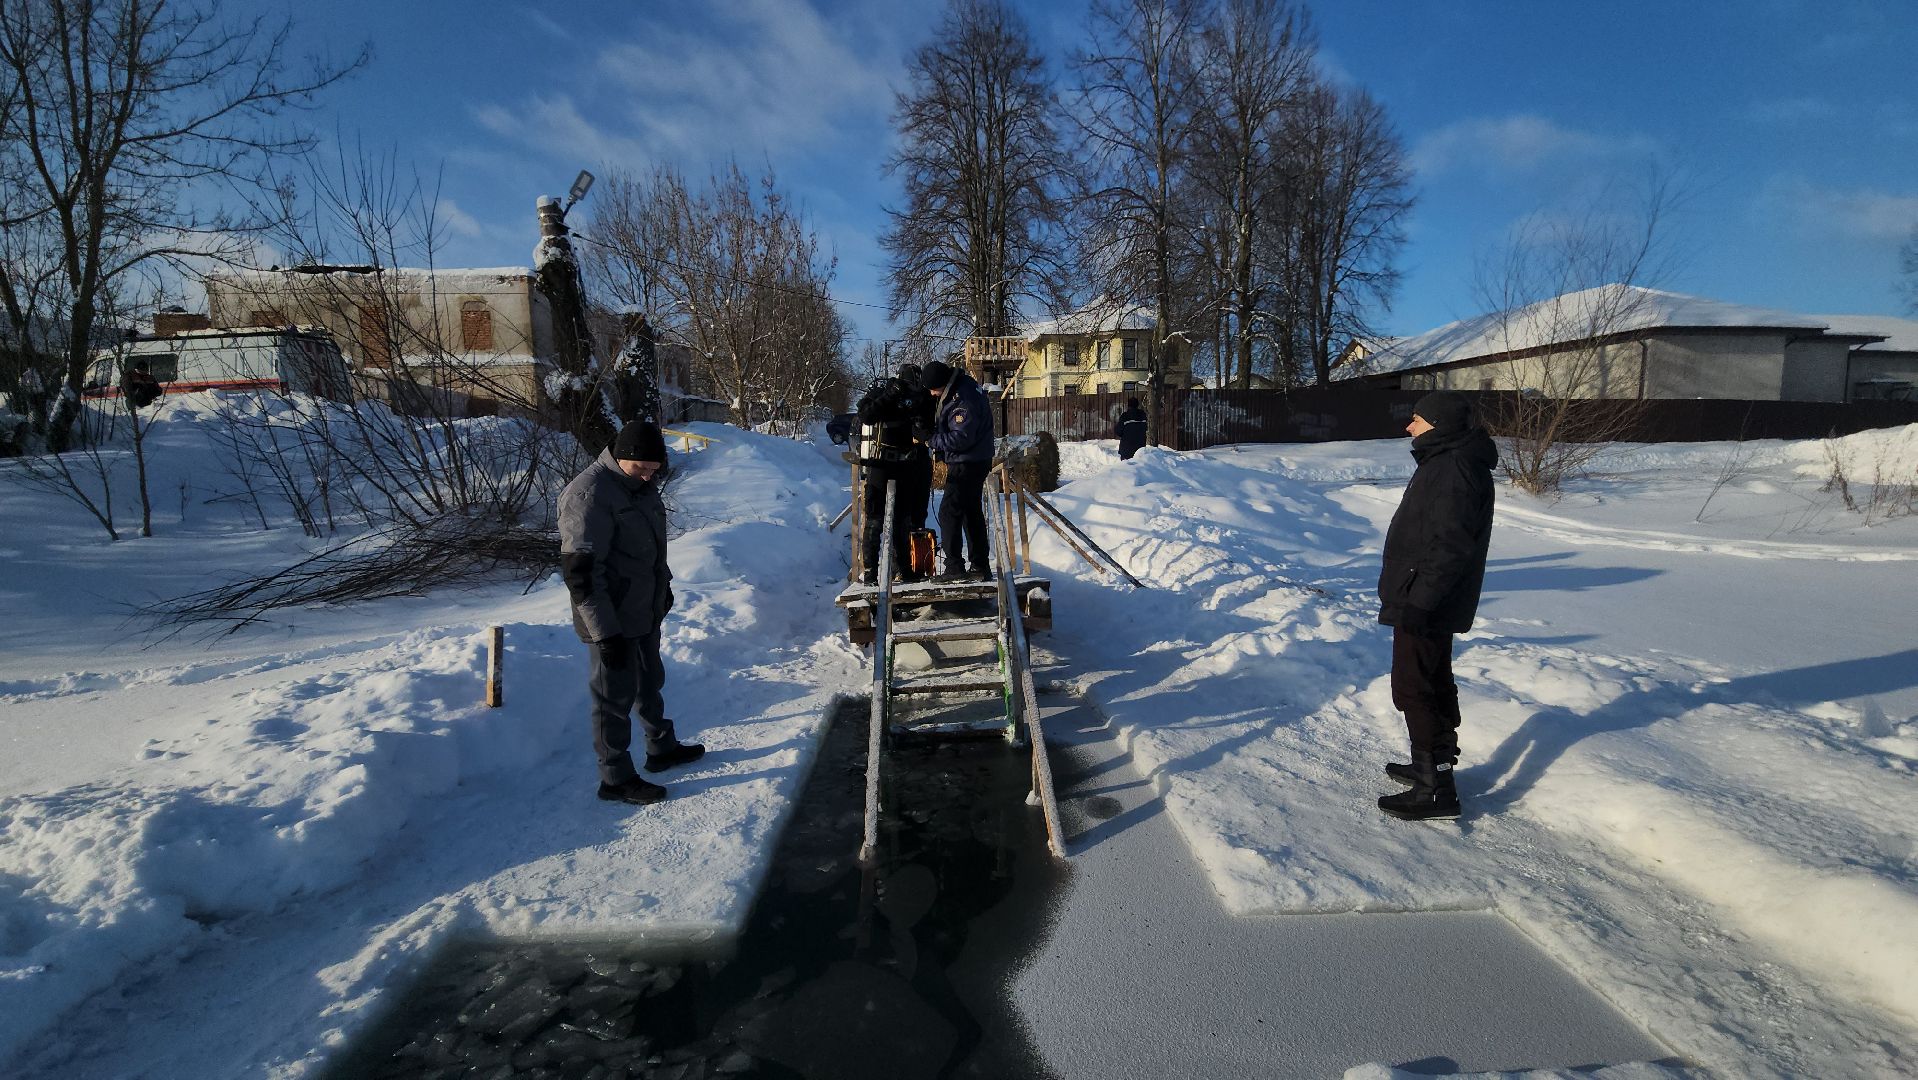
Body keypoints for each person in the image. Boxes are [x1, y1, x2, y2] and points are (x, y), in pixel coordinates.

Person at [559, 421, 705, 806]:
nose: (647, 476)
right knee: (613, 697)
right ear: (618, 455)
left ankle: (661, 748)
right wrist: (605, 634)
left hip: (644, 609)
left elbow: (650, 550)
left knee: (649, 681)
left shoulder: (640, 486)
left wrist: (664, 586)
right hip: (609, 619)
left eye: (654, 469)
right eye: (640, 467)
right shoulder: (588, 494)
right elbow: (583, 576)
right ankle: (615, 777)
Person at [1375, 390, 1497, 821]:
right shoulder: (1446, 462)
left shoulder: (1455, 468)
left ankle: (1435, 788)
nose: (1409, 427)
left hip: (1426, 600)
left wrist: (1421, 602)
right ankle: (1434, 764)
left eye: (1417, 420)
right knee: (1430, 679)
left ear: (1439, 425)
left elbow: (1450, 546)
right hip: (1424, 595)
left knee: (1415, 686)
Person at [915, 359, 994, 582]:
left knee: (949, 512)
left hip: (967, 462)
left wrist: (931, 440)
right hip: (975, 459)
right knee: (970, 512)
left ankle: (954, 567)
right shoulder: (962, 387)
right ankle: (979, 566)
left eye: (933, 389)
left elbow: (961, 438)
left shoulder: (962, 399)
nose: (931, 394)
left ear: (942, 383)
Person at [853, 371, 923, 584]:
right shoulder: (882, 394)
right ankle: (871, 572)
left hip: (905, 466)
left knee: (902, 521)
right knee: (875, 520)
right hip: (880, 465)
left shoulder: (916, 399)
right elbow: (866, 416)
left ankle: (904, 568)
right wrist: (889, 396)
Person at [895, 363, 935, 549]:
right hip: (917, 455)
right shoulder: (926, 397)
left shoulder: (917, 398)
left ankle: (912, 556)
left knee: (906, 510)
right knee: (917, 509)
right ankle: (912, 553)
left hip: (909, 456)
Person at [1114, 396, 1148, 460]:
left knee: (1127, 468)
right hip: (1140, 449)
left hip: (1127, 449)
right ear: (1137, 405)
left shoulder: (1125, 416)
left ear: (1128, 405)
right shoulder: (1143, 415)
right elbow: (1146, 428)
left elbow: (1118, 431)